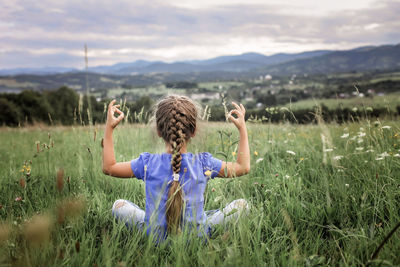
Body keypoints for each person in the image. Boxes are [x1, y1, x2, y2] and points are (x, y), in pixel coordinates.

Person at [102, 95, 250, 240]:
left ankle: (152, 225)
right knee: (242, 205)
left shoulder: (147, 163)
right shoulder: (204, 163)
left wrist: (109, 128)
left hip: (154, 239)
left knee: (119, 205)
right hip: (197, 239)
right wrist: (242, 129)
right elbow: (242, 167)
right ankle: (203, 220)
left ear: (159, 131)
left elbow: (109, 167)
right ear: (193, 131)